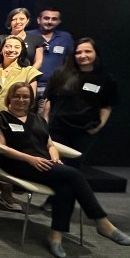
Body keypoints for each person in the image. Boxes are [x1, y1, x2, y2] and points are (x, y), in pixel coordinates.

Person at [0, 82, 130, 258]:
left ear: (31, 99)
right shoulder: (1, 118)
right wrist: (30, 159)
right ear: (9, 98)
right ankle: (102, 223)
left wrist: (54, 157)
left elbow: (50, 145)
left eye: (25, 96)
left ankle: (56, 236)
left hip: (44, 163)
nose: (21, 100)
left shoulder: (38, 119)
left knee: (66, 188)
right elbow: (1, 148)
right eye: (17, 96)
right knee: (74, 174)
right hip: (16, 163)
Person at [0, 37, 41, 211]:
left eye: (16, 47)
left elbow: (30, 100)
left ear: (22, 50)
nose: (11, 49)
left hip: (13, 123)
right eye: (8, 46)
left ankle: (6, 193)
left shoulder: (28, 71)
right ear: (2, 48)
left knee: (8, 157)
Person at [43, 38, 118, 166]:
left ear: (96, 53)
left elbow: (107, 105)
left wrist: (99, 126)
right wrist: (45, 124)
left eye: (88, 51)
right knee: (54, 165)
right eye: (78, 52)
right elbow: (48, 100)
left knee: (75, 166)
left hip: (83, 131)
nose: (83, 55)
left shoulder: (106, 79)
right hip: (57, 129)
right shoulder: (61, 74)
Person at [29, 8, 73, 109]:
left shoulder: (66, 37)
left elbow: (71, 62)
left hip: (54, 88)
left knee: (46, 117)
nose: (49, 21)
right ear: (39, 20)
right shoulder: (28, 35)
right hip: (29, 85)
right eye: (46, 18)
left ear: (59, 21)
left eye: (54, 19)